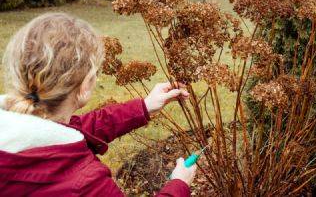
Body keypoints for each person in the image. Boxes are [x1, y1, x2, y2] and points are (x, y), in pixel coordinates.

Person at [0, 13, 197, 196]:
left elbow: (77, 129)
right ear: (85, 86)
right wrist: (179, 184)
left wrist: (144, 106)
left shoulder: (16, 130)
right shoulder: (85, 184)